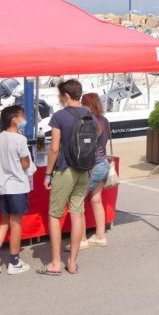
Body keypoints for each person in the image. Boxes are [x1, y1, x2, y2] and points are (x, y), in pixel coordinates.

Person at [38, 79, 95, 276]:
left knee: (55, 214)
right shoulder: (91, 116)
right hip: (84, 170)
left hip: (65, 169)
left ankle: (55, 263)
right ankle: (72, 262)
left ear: (67, 96)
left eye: (60, 95)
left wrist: (47, 174)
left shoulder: (60, 116)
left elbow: (54, 148)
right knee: (77, 213)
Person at [0, 105, 33, 275]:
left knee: (4, 220)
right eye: (22, 116)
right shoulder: (19, 139)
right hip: (17, 185)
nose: (24, 119)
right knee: (16, 223)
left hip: (2, 186)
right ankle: (14, 261)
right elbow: (26, 163)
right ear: (14, 119)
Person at [66, 92, 111, 251]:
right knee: (96, 199)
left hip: (92, 166)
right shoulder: (104, 120)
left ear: (87, 105)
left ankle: (82, 238)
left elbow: (87, 148)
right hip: (104, 163)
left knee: (77, 202)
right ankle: (100, 235)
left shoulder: (88, 121)